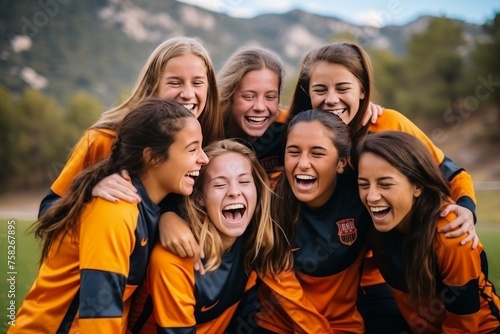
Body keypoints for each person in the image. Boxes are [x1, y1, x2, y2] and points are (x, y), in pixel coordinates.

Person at [286, 41, 478, 333]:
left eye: (343, 88)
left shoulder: (388, 124)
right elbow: (254, 115)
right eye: (320, 90)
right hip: (325, 274)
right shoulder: (297, 129)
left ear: (363, 90)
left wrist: (465, 209)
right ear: (308, 93)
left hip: (382, 273)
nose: (331, 99)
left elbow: (451, 174)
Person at [9, 99, 209, 333]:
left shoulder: (146, 207)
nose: (203, 158)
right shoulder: (115, 211)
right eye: (192, 149)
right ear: (152, 157)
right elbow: (98, 319)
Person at [38, 36, 223, 214]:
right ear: (153, 86)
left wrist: (170, 218)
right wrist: (89, 192)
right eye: (175, 82)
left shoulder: (209, 148)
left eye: (197, 82)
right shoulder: (104, 138)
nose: (188, 93)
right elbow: (48, 209)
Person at [127, 139, 293, 333]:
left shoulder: (255, 241)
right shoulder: (172, 260)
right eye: (219, 185)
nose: (234, 192)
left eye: (244, 181)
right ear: (199, 197)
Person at [356, 131, 500, 333]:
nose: (371, 196)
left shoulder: (451, 235)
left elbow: (462, 328)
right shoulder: (373, 220)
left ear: (417, 186)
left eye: (385, 184)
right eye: (363, 184)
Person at [256, 109, 371, 333]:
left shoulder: (363, 195)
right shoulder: (267, 197)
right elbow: (283, 287)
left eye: (317, 153)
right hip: (278, 325)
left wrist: (459, 209)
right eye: (294, 152)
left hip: (344, 325)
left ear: (341, 162)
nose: (303, 163)